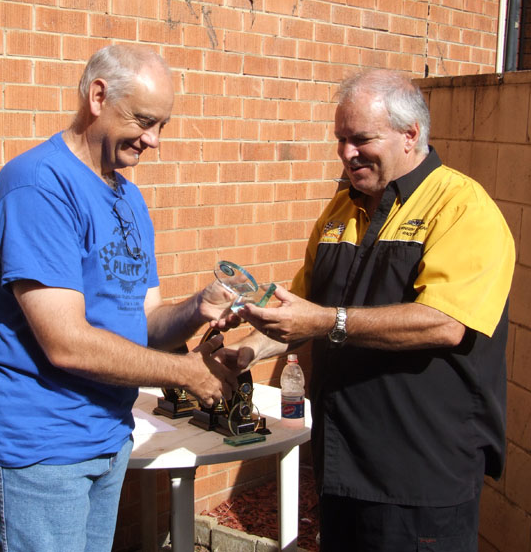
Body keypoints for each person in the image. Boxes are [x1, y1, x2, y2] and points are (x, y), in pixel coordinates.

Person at [0, 44, 239, 552]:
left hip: (104, 437)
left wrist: (198, 307)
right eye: (144, 120)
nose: (153, 140)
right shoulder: (39, 187)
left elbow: (142, 320)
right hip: (36, 450)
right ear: (98, 96)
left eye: (162, 125)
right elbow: (67, 343)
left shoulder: (127, 196)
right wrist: (187, 373)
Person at [221, 69, 515, 551]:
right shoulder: (340, 211)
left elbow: (445, 323)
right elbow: (299, 312)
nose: (346, 152)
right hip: (342, 466)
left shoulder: (463, 208)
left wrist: (327, 321)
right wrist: (244, 355)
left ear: (410, 134)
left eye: (361, 139)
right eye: (340, 139)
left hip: (420, 476)